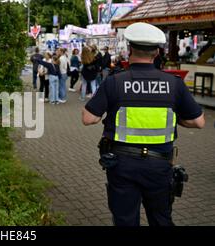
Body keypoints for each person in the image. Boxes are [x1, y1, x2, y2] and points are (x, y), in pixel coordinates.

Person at [81, 22, 205, 226]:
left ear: (130, 50)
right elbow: (198, 122)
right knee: (161, 220)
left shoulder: (114, 82)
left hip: (122, 165)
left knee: (125, 220)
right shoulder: (174, 84)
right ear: (156, 53)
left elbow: (88, 118)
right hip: (160, 166)